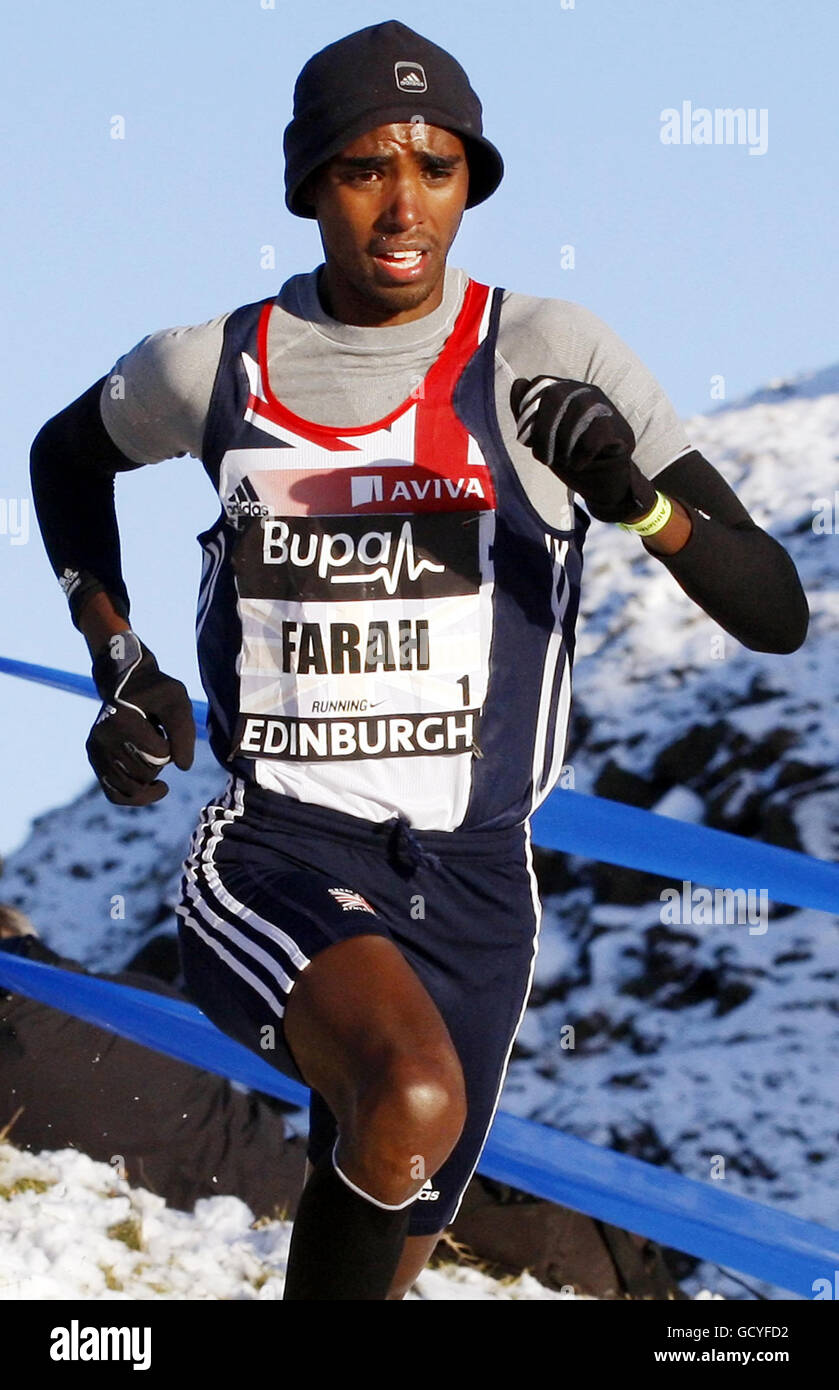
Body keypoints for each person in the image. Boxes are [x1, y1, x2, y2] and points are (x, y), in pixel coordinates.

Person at [29, 21, 808, 1301]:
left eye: (436, 167)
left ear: (468, 181)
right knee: (411, 1092)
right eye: (362, 168)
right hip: (280, 854)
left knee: (386, 1219)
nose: (404, 205)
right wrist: (119, 654)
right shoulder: (213, 367)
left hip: (478, 892)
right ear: (308, 184)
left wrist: (635, 500)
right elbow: (64, 459)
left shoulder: (546, 352)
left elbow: (772, 606)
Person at [0, 906, 686, 1299]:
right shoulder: (123, 999)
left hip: (266, 1187)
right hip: (292, 1182)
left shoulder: (76, 1021)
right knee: (444, 1191)